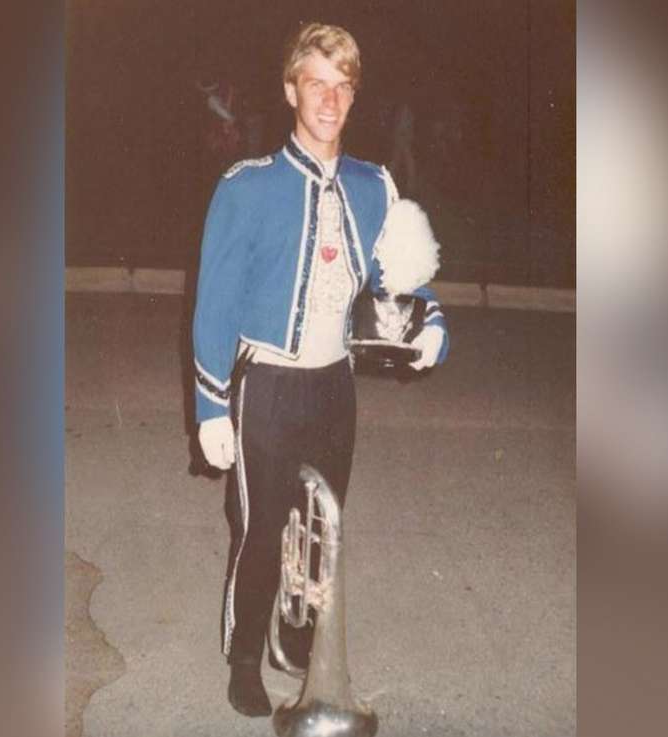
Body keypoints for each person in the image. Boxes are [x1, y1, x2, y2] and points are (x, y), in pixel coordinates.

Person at [191, 21, 451, 718]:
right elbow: (213, 300)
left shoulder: (375, 184)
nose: (330, 99)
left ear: (354, 96)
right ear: (290, 90)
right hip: (267, 385)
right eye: (316, 83)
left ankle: (297, 643)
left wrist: (431, 325)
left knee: (320, 526)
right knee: (261, 528)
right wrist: (211, 404)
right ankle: (246, 655)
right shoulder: (247, 186)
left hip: (335, 386)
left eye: (343, 86)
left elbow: (404, 275)